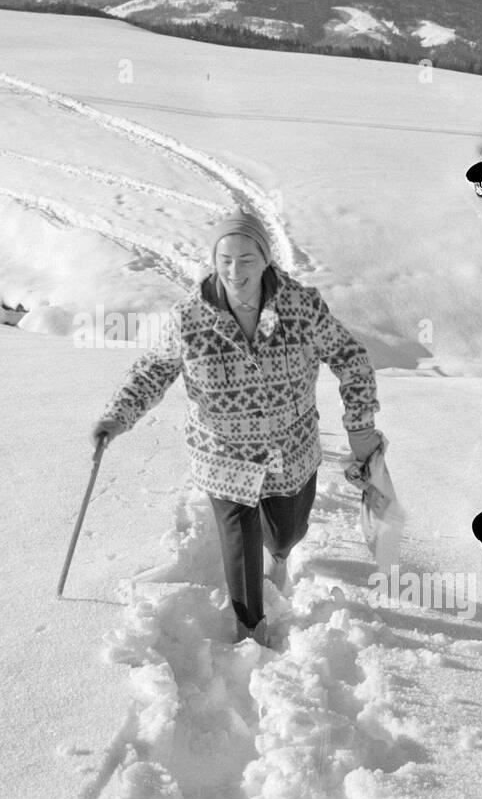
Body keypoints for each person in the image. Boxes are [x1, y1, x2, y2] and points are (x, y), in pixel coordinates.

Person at [90, 209, 383, 646]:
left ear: (266, 259)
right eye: (225, 259)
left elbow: (351, 359)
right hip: (222, 456)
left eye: (246, 259)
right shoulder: (190, 319)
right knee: (239, 545)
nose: (235, 270)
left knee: (286, 531)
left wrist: (360, 427)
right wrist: (116, 417)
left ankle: (280, 554)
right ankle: (251, 631)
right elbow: (153, 370)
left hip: (291, 452)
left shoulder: (300, 308)